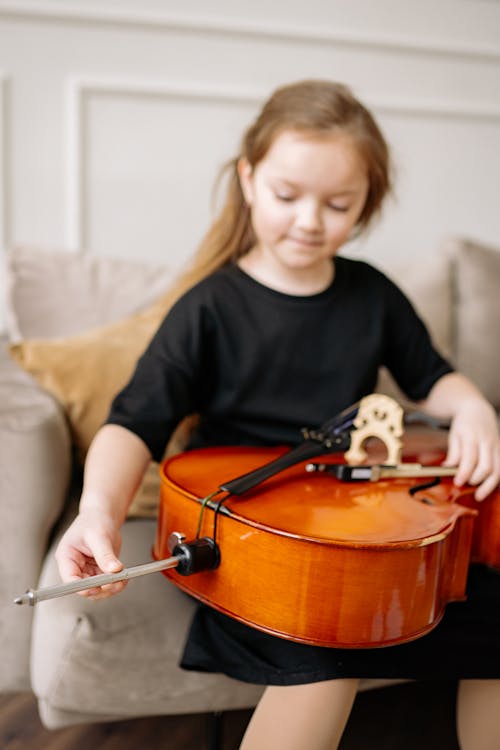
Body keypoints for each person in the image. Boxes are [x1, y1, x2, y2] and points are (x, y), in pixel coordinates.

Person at [55, 80, 500, 750]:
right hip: (248, 545)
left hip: (349, 537)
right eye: (288, 196)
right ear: (249, 178)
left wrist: (473, 410)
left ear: (366, 206)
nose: (310, 220)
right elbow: (134, 422)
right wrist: (98, 514)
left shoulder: (372, 296)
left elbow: (432, 377)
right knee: (324, 655)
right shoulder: (210, 306)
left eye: (339, 203)